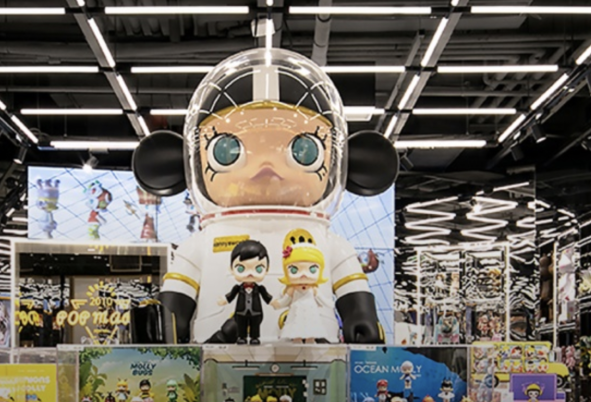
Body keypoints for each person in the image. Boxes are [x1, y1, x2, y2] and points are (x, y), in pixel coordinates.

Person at [133, 48, 398, 344]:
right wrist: (169, 323)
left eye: (304, 151)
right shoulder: (202, 244)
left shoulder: (326, 242)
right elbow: (176, 301)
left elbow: (353, 296)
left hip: (310, 351)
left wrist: (360, 316)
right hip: (220, 352)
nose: (266, 165)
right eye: (226, 151)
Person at [216, 240, 273, 344]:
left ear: (267, 269)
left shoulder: (260, 288)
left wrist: (274, 302)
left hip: (256, 312)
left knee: (255, 325)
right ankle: (241, 337)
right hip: (241, 311)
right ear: (231, 269)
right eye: (241, 269)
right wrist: (224, 300)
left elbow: (267, 297)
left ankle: (254, 337)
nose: (250, 273)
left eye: (258, 269)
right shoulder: (237, 288)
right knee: (241, 325)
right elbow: (231, 295)